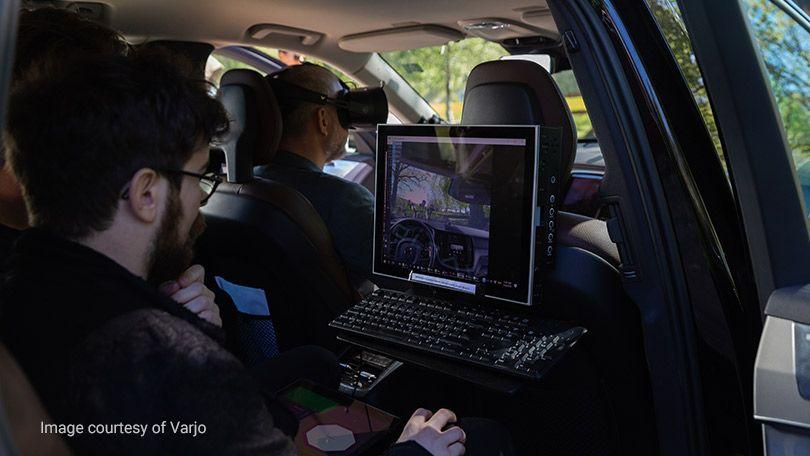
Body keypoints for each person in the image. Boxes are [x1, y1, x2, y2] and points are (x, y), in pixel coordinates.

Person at [0, 51, 468, 455]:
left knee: (315, 362)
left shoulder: (17, 290)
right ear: (145, 194)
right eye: (198, 179)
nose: (197, 206)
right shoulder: (173, 360)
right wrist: (414, 451)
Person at [255, 63, 374, 289]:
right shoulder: (344, 200)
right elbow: (405, 278)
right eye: (342, 107)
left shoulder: (231, 188)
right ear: (323, 120)